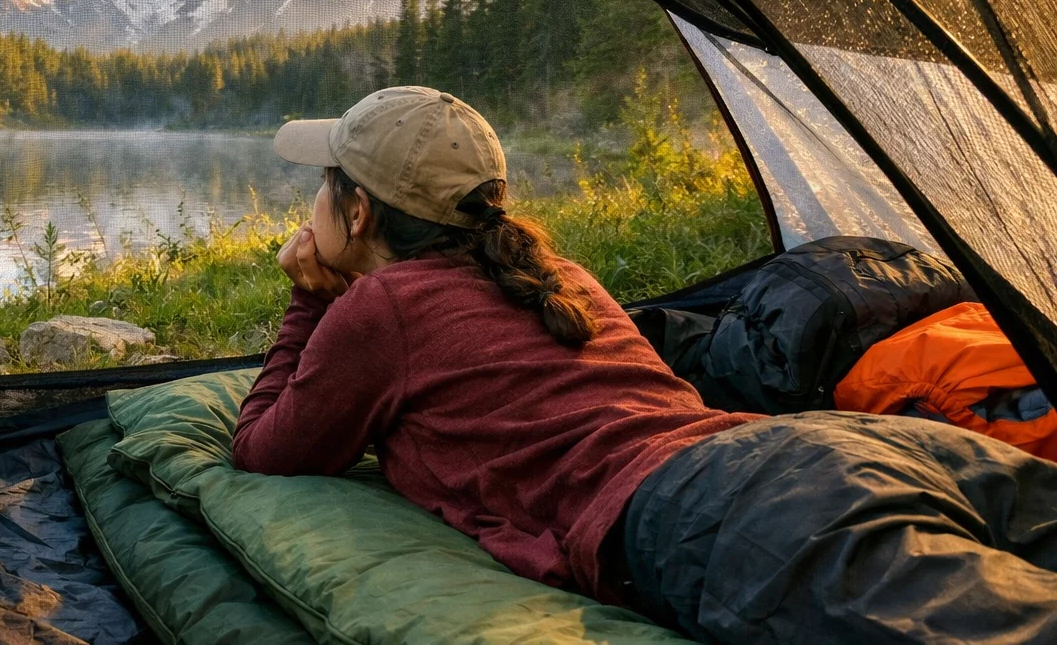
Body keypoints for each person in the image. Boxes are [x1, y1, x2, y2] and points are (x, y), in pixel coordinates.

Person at [232, 85, 1057, 644]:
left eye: (322, 181)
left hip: (724, 513)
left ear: (358, 207)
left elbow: (264, 449)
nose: (309, 200)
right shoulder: (554, 273)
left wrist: (309, 297)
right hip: (831, 450)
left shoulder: (383, 309)